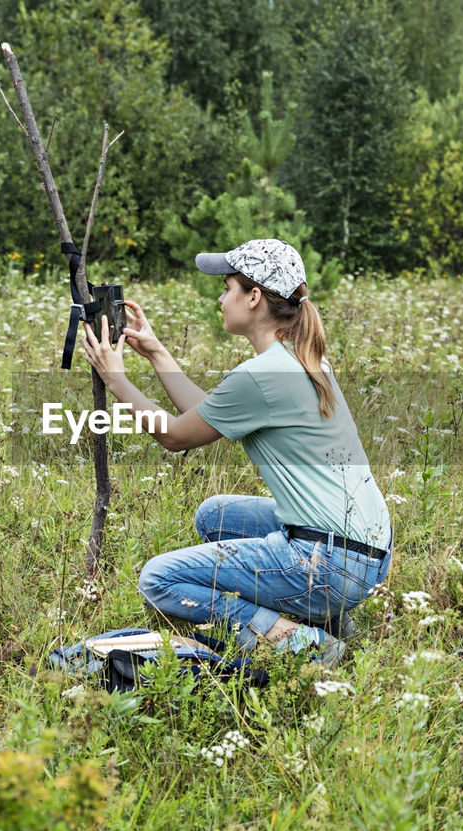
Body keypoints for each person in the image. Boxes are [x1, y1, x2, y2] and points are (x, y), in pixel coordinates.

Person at [81, 238, 391, 666]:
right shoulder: (301, 359)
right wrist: (156, 353)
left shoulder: (262, 376)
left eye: (226, 287)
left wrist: (115, 380)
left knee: (159, 579)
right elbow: (202, 415)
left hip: (327, 563)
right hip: (367, 555)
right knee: (215, 515)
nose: (220, 298)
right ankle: (332, 618)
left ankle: (305, 644)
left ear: (254, 297)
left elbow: (174, 436)